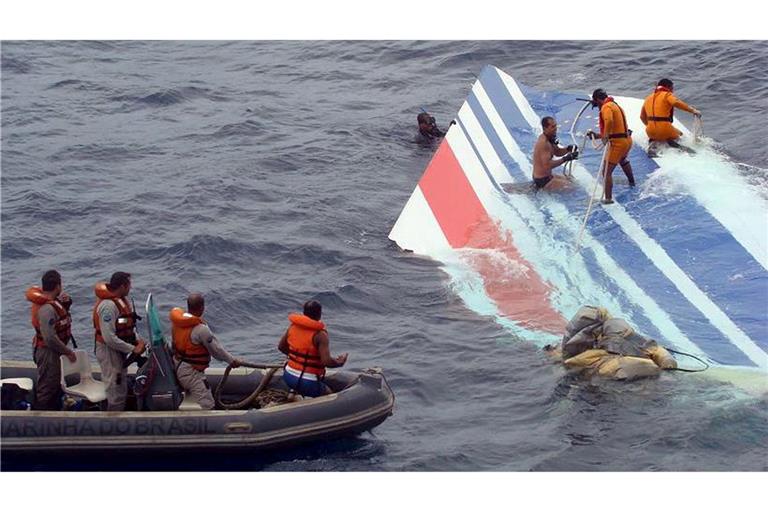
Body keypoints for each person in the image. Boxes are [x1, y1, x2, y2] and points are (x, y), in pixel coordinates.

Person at [170, 292, 243, 410]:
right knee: (208, 403)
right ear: (202, 308)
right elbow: (216, 351)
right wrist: (232, 361)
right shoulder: (201, 330)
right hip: (191, 373)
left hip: (178, 366)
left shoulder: (177, 324)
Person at [93, 272, 146, 411]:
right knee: (114, 386)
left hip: (119, 349)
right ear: (122, 286)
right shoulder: (108, 306)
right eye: (129, 285)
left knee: (120, 384)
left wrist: (138, 341)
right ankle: (112, 419)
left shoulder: (121, 302)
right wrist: (132, 349)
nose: (130, 288)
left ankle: (118, 412)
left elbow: (127, 324)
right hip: (108, 350)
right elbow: (109, 338)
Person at [25, 270, 77, 410]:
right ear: (57, 286)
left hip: (53, 351)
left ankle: (55, 410)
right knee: (47, 387)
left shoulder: (54, 303)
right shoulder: (47, 308)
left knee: (55, 384)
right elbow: (50, 338)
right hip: (48, 352)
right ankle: (41, 418)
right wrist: (68, 352)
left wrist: (65, 306)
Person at [277, 300, 347, 397]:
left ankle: (296, 393)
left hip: (288, 376)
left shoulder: (293, 326)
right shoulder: (320, 335)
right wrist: (339, 362)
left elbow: (281, 347)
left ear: (304, 312)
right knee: (329, 395)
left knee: (304, 386)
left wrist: (297, 359)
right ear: (319, 315)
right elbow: (326, 361)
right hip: (308, 381)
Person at [587, 88, 636, 204]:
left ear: (598, 100)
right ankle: (632, 182)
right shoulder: (615, 105)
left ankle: (608, 199)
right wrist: (598, 136)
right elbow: (616, 131)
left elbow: (609, 121)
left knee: (606, 172)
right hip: (627, 140)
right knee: (623, 160)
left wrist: (605, 137)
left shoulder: (606, 107)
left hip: (618, 144)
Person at [640, 78, 701, 155]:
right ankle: (672, 143)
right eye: (672, 88)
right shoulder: (667, 95)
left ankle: (653, 143)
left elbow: (642, 117)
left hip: (650, 131)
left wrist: (651, 126)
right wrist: (693, 110)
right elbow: (676, 102)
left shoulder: (648, 98)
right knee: (680, 134)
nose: (672, 91)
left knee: (659, 135)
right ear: (667, 87)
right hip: (665, 130)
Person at [532, 116, 578, 191]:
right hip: (542, 180)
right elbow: (547, 165)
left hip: (548, 176)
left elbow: (557, 152)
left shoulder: (550, 138)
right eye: (553, 127)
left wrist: (568, 149)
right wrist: (565, 159)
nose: (556, 128)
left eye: (556, 126)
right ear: (545, 128)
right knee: (572, 188)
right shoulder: (544, 143)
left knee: (571, 180)